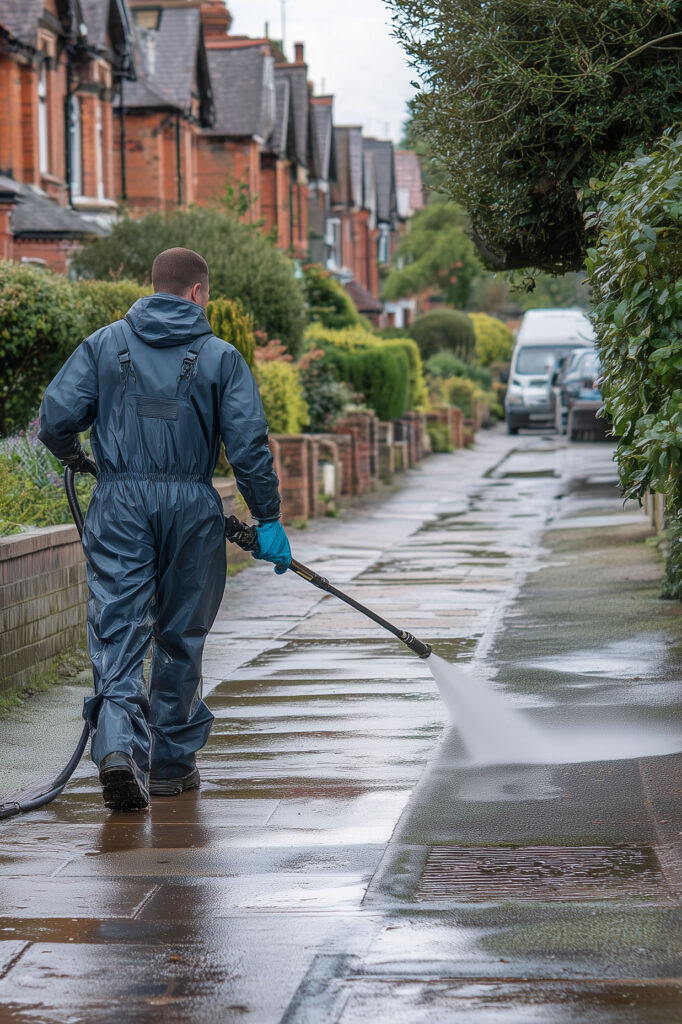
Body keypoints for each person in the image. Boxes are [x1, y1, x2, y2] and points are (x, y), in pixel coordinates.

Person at [39, 248, 291, 812]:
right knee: (181, 633)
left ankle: (116, 748)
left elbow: (55, 418)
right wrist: (268, 517)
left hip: (120, 503)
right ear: (199, 293)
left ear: (153, 288)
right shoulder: (221, 358)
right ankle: (172, 766)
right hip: (192, 508)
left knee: (119, 623)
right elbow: (248, 446)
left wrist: (77, 458)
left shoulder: (104, 344)